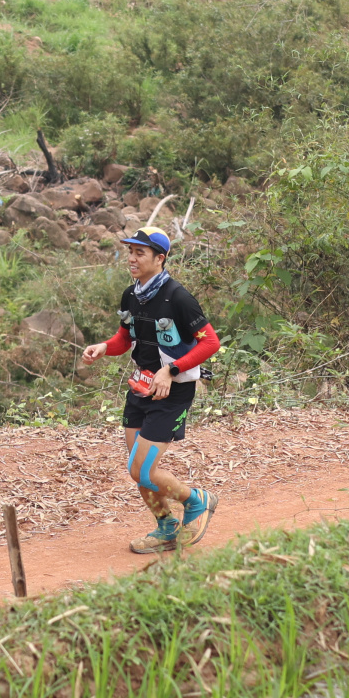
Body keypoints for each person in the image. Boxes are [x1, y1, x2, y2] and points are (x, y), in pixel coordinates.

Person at [80, 226, 221, 553]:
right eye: (130, 252)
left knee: (143, 470)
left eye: (139, 253)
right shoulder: (131, 295)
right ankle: (166, 527)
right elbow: (125, 337)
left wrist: (170, 371)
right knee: (138, 470)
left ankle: (196, 500)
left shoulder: (178, 297)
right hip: (141, 389)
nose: (132, 258)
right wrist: (104, 347)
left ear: (160, 258)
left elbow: (211, 342)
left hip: (173, 393)